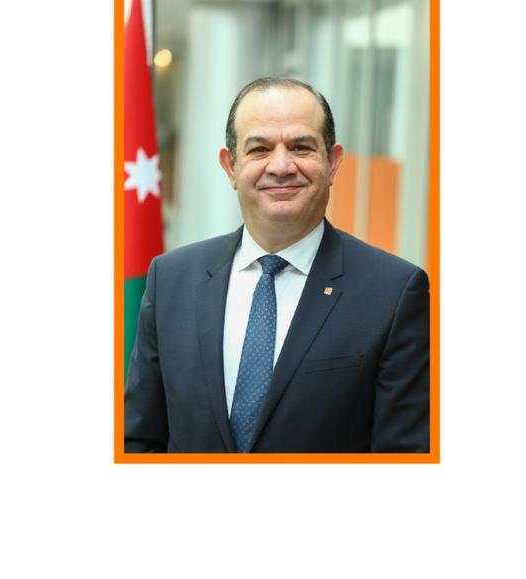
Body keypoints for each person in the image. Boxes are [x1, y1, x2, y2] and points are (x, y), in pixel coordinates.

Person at [124, 77, 429, 453]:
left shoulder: (395, 293)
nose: (281, 166)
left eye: (301, 147)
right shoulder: (171, 280)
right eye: (260, 149)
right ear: (230, 166)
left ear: (333, 163)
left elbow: (403, 458)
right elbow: (139, 440)